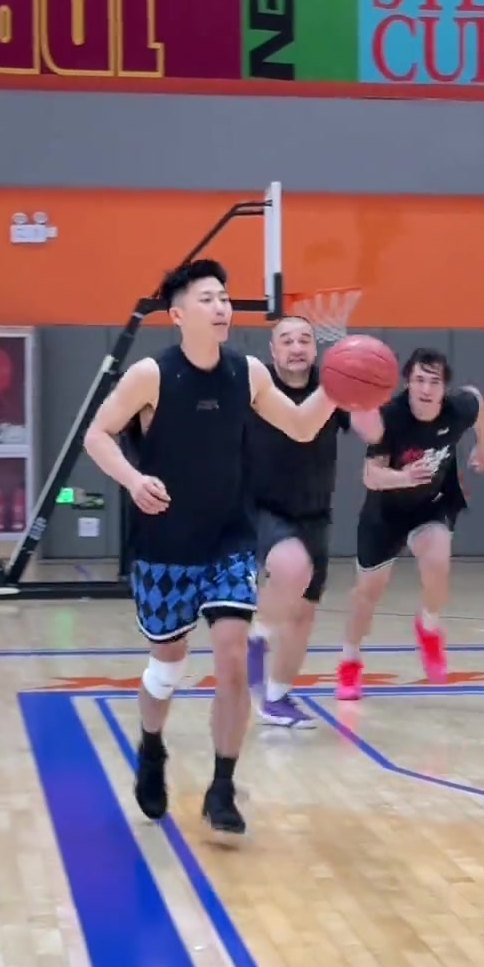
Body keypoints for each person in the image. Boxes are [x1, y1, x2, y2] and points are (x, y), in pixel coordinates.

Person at [83, 259, 340, 837]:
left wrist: (338, 384)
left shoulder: (248, 373)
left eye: (224, 297)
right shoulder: (151, 374)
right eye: (207, 298)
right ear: (178, 315)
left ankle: (222, 787)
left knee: (231, 655)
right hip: (165, 544)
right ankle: (152, 746)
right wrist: (133, 480)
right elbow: (97, 434)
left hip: (229, 537)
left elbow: (302, 426)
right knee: (167, 667)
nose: (221, 306)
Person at [245, 314, 381, 729]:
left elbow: (373, 432)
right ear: (273, 350)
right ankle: (257, 634)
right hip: (259, 505)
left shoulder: (333, 384)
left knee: (303, 614)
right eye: (287, 340)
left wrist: (367, 387)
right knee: (291, 566)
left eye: (304, 339)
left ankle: (276, 698)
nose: (296, 347)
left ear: (316, 348)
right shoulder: (259, 384)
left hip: (315, 511)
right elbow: (297, 423)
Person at [335, 348, 484, 701]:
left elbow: (478, 400)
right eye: (419, 380)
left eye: (434, 382)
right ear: (407, 383)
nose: (426, 388)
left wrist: (483, 446)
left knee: (438, 562)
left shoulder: (458, 408)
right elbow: (371, 476)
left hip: (431, 504)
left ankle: (429, 626)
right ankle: (349, 661)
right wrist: (404, 477)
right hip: (385, 511)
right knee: (366, 596)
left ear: (444, 388)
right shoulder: (389, 418)